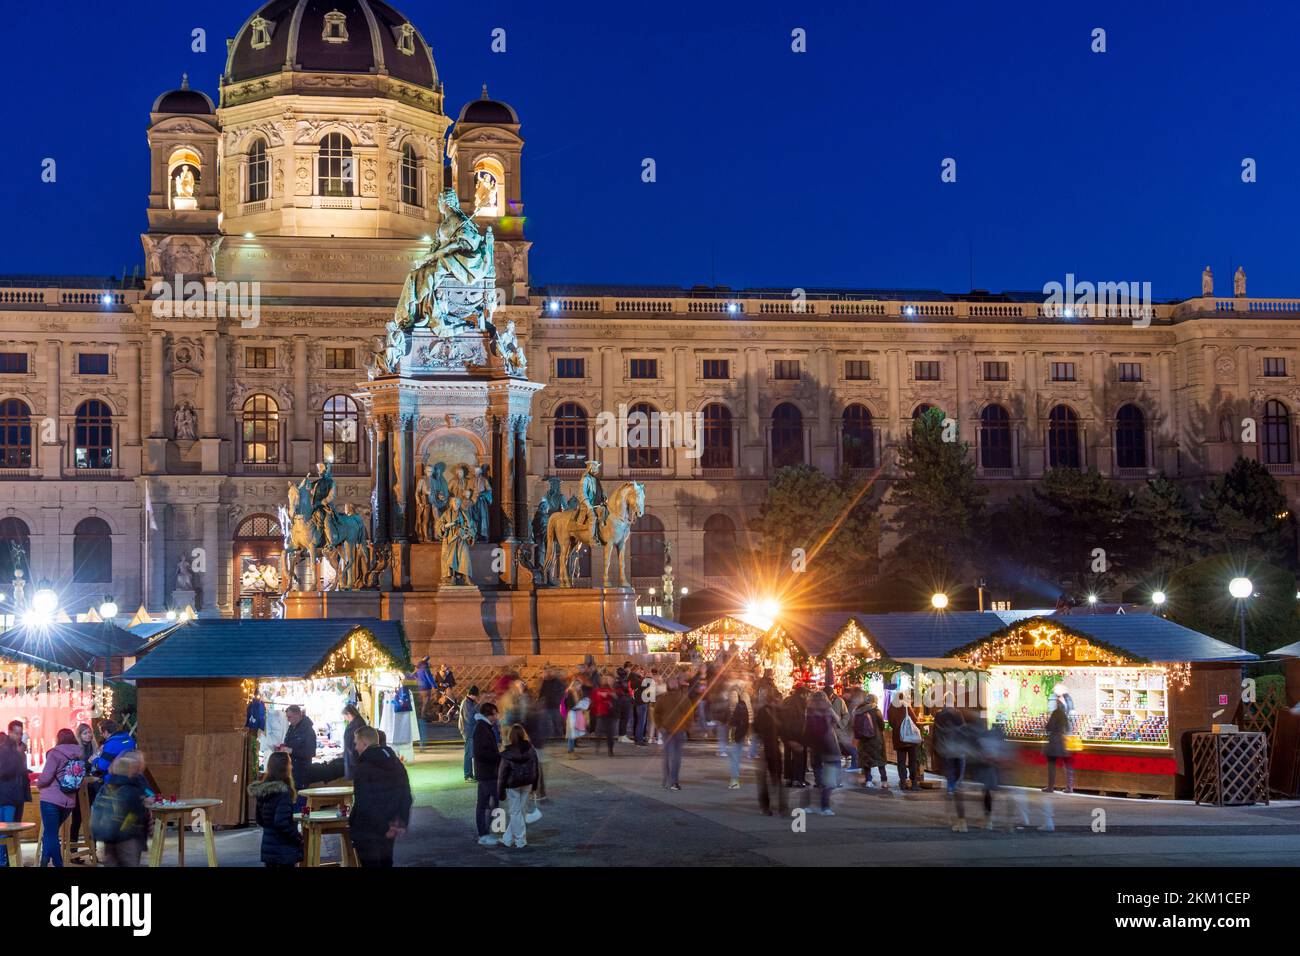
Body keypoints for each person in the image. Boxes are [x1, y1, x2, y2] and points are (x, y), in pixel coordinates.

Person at [350, 726, 413, 867]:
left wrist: (384, 827)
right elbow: (406, 795)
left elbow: (364, 802)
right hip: (389, 828)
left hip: (368, 830)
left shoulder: (363, 767)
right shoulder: (396, 763)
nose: (355, 748)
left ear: (364, 743)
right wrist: (400, 822)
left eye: (356, 743)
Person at [35, 728, 87, 867]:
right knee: (50, 832)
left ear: (59, 738)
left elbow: (46, 777)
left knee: (51, 834)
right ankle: (44, 861)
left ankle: (58, 864)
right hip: (69, 802)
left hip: (50, 799)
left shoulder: (55, 753)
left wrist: (38, 784)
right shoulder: (80, 753)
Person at [91, 750, 151, 867]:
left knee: (112, 862)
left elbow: (97, 808)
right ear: (132, 769)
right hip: (128, 836)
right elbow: (137, 814)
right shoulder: (133, 788)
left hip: (108, 835)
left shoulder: (108, 786)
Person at [248, 751, 302, 868]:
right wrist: (297, 837)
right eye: (290, 764)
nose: (291, 767)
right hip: (284, 849)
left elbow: (259, 819)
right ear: (284, 768)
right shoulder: (283, 792)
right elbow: (281, 822)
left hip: (268, 848)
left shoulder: (262, 791)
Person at [496, 723, 540, 849]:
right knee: (520, 812)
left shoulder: (507, 753)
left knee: (516, 813)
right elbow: (536, 768)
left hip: (513, 785)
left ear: (511, 737)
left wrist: (500, 792)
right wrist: (535, 786)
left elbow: (502, 774)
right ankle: (508, 839)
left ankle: (520, 840)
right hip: (527, 783)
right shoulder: (531, 749)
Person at [933, 696, 969, 832]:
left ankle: (948, 816)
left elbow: (935, 734)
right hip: (959, 752)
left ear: (944, 702)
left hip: (947, 752)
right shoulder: (959, 714)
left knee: (950, 784)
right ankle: (961, 820)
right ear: (953, 702)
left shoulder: (939, 715)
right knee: (958, 785)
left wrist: (936, 750)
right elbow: (964, 732)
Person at [653, 677, 694, 791]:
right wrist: (660, 727)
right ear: (667, 684)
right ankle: (668, 780)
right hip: (667, 731)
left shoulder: (683, 698)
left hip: (679, 731)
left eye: (675, 682)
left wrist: (686, 727)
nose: (673, 683)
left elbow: (689, 714)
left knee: (676, 758)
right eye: (671, 682)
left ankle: (673, 781)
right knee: (668, 757)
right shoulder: (663, 699)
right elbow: (656, 714)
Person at [804, 690, 840, 815]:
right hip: (828, 749)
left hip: (819, 750)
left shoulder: (810, 713)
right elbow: (838, 722)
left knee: (820, 780)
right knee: (827, 782)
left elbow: (807, 732)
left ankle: (813, 805)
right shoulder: (825, 713)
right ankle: (824, 806)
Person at [751, 688, 786, 816]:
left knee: (767, 779)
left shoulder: (764, 711)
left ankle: (767, 807)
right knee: (775, 779)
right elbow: (784, 729)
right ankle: (779, 807)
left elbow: (755, 728)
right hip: (771, 748)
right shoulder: (776, 712)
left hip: (767, 747)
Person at [473, 702, 502, 845]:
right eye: (495, 714)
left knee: (487, 803)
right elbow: (480, 754)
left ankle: (486, 833)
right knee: (493, 802)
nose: (497, 717)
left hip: (486, 772)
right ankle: (484, 834)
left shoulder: (484, 727)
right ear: (489, 714)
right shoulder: (482, 729)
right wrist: (498, 757)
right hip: (487, 773)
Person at [0, 724, 27, 866]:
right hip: (7, 796)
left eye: (21, 734)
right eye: (17, 733)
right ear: (10, 732)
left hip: (12, 796)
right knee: (6, 831)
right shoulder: (7, 751)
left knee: (7, 831)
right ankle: (4, 862)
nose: (19, 737)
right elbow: (7, 770)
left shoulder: (13, 750)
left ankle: (6, 861)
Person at [277, 705, 317, 796]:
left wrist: (291, 751)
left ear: (298, 715)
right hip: (290, 772)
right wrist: (282, 747)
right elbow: (289, 744)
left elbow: (311, 752)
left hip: (301, 774)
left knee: (299, 803)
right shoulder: (291, 728)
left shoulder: (308, 731)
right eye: (287, 717)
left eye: (289, 717)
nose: (288, 719)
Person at [1043, 686, 1075, 794]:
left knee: (1051, 765)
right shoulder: (1065, 715)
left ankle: (1050, 787)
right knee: (1067, 765)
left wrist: (1046, 728)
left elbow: (1049, 727)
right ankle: (1069, 787)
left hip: (1054, 742)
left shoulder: (1055, 713)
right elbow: (1068, 728)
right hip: (1064, 742)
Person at [888, 693, 921, 792]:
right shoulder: (906, 706)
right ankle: (914, 783)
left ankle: (903, 782)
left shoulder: (891, 708)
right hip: (910, 738)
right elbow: (914, 720)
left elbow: (891, 723)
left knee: (901, 761)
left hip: (899, 738)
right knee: (912, 761)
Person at [779, 686, 808, 787]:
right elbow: (802, 720)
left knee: (788, 756)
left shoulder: (786, 701)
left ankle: (788, 779)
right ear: (803, 694)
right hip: (798, 734)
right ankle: (798, 779)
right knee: (799, 757)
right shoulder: (802, 702)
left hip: (786, 734)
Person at [727, 687, 750, 790]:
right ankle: (735, 780)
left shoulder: (738, 706)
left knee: (735, 758)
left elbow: (735, 721)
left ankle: (734, 781)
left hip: (737, 734)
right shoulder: (744, 705)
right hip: (741, 734)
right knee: (736, 757)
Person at [458, 685, 481, 780]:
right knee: (469, 753)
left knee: (473, 753)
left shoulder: (468, 702)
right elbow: (470, 718)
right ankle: (467, 775)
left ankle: (472, 774)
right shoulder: (467, 703)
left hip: (469, 730)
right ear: (474, 695)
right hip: (468, 730)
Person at [592, 675, 617, 757]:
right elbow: (594, 702)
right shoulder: (597, 690)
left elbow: (617, 700)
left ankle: (610, 750)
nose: (605, 681)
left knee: (610, 733)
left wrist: (612, 696)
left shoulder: (614, 690)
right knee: (598, 732)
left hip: (611, 714)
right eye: (604, 679)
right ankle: (597, 747)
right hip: (601, 714)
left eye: (607, 679)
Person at [342, 703, 367, 780]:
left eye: (345, 716)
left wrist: (353, 758)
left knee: (355, 782)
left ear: (349, 714)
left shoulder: (355, 724)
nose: (345, 719)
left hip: (354, 760)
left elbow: (352, 743)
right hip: (354, 758)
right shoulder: (358, 722)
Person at [563, 678, 587, 755]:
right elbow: (570, 705)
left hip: (574, 713)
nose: (580, 687)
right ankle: (570, 750)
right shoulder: (570, 693)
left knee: (573, 732)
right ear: (575, 685)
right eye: (579, 686)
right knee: (571, 732)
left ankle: (571, 748)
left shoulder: (574, 692)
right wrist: (581, 705)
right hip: (572, 714)